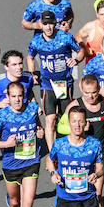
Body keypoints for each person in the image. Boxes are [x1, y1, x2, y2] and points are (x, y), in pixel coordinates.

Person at [60, 73, 104, 207]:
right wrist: (81, 128)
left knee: (98, 194)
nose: (91, 96)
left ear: (99, 90)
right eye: (88, 93)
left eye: (95, 92)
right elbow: (61, 128)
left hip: (100, 153)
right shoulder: (75, 106)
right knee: (82, 192)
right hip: (79, 157)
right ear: (81, 89)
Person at [26, 11, 83, 150]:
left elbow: (81, 51)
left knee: (66, 119)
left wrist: (75, 60)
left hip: (65, 84)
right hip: (47, 84)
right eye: (45, 24)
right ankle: (53, 153)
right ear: (41, 25)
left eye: (51, 23)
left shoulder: (65, 37)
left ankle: (68, 148)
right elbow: (30, 57)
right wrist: (33, 72)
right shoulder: (36, 41)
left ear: (55, 24)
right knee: (50, 120)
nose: (48, 27)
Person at [0, 49, 35, 113]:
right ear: (6, 67)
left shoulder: (28, 78)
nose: (19, 67)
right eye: (14, 64)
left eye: (20, 63)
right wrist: (0, 104)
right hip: (4, 119)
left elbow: (29, 92)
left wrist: (35, 105)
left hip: (23, 117)